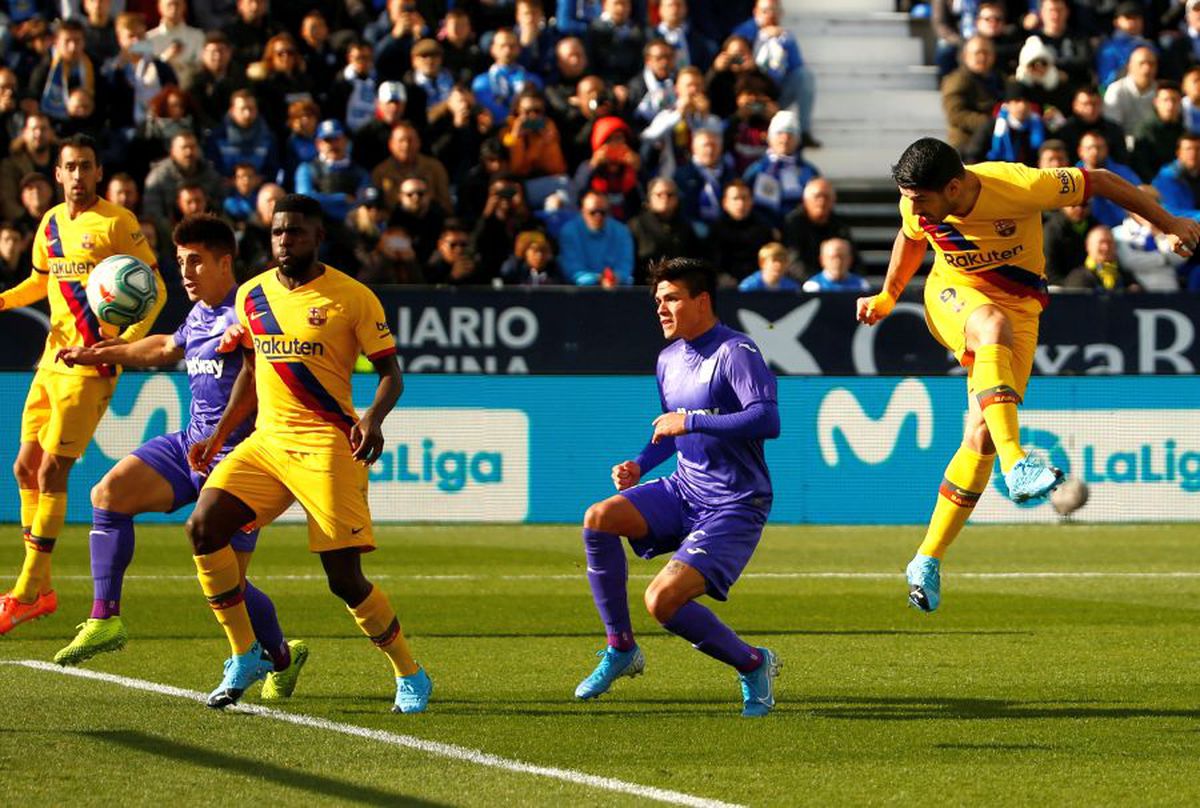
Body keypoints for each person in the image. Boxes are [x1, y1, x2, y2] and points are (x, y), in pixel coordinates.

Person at [857, 137, 1200, 614]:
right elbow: (910, 237)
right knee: (989, 330)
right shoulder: (918, 198)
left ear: (954, 187)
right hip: (953, 297)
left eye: (919, 199)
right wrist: (889, 296)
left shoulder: (1019, 184)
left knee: (980, 435)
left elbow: (1098, 182)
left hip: (1021, 310)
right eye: (908, 198)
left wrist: (1171, 225)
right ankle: (1018, 463)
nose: (911, 206)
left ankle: (926, 559)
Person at [184, 193, 431, 713]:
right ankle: (245, 652)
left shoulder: (351, 296)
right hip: (267, 442)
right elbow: (251, 373)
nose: (284, 241)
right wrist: (218, 433)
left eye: (295, 232)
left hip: (326, 447)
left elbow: (391, 374)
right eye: (277, 232)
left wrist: (372, 417)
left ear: (319, 237)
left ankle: (410, 672)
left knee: (343, 580)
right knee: (203, 527)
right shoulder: (251, 295)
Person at [49, 214, 307, 700]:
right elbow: (166, 346)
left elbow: (254, 385)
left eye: (195, 262)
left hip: (243, 462)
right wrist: (104, 351)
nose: (185, 273)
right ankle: (105, 618)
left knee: (225, 579)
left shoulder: (250, 309)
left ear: (224, 262)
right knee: (108, 493)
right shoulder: (200, 314)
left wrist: (219, 439)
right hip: (193, 445)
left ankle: (276, 656)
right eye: (180, 263)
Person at [575, 257, 781, 717]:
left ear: (702, 301)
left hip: (734, 502)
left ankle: (753, 663)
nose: (661, 309)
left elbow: (766, 419)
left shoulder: (736, 351)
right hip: (683, 488)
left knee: (662, 600)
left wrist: (690, 420)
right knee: (599, 519)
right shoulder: (668, 359)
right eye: (657, 301)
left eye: (671, 299)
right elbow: (670, 431)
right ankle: (621, 649)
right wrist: (640, 464)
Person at [0, 133, 166, 633]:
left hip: (90, 366)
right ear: (58, 174)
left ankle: (28, 589)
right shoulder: (50, 223)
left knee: (52, 473)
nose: (77, 175)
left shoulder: (118, 222)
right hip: (50, 362)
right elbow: (40, 281)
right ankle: (42, 590)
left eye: (86, 166)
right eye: (69, 167)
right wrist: (4, 300)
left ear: (97, 172)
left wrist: (125, 343)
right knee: (24, 468)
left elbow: (153, 287)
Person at [558, 189, 634, 285]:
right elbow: (572, 270)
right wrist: (598, 279)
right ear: (582, 211)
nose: (598, 216)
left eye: (603, 212)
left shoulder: (622, 231)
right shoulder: (569, 231)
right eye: (593, 212)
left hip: (615, 290)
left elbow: (625, 267)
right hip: (579, 293)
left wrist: (614, 278)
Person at [1063, 224, 1143, 291]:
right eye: (1101, 242)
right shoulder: (1078, 278)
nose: (1106, 247)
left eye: (1110, 242)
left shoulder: (1125, 277)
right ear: (1088, 246)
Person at [801, 237, 868, 292]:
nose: (838, 262)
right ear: (822, 260)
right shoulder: (812, 286)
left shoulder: (862, 285)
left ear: (850, 259)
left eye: (842, 257)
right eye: (833, 257)